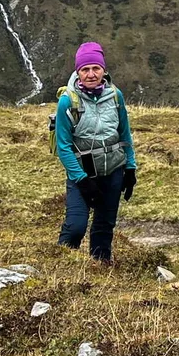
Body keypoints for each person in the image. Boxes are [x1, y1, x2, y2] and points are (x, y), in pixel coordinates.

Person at [54, 41, 136, 263]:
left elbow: (124, 134)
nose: (91, 74)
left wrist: (130, 168)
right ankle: (60, 266)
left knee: (104, 225)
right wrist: (81, 180)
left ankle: (100, 268)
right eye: (85, 69)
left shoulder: (116, 96)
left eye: (95, 68)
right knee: (75, 227)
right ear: (78, 72)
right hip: (82, 175)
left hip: (114, 171)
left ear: (103, 70)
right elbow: (63, 146)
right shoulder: (67, 102)